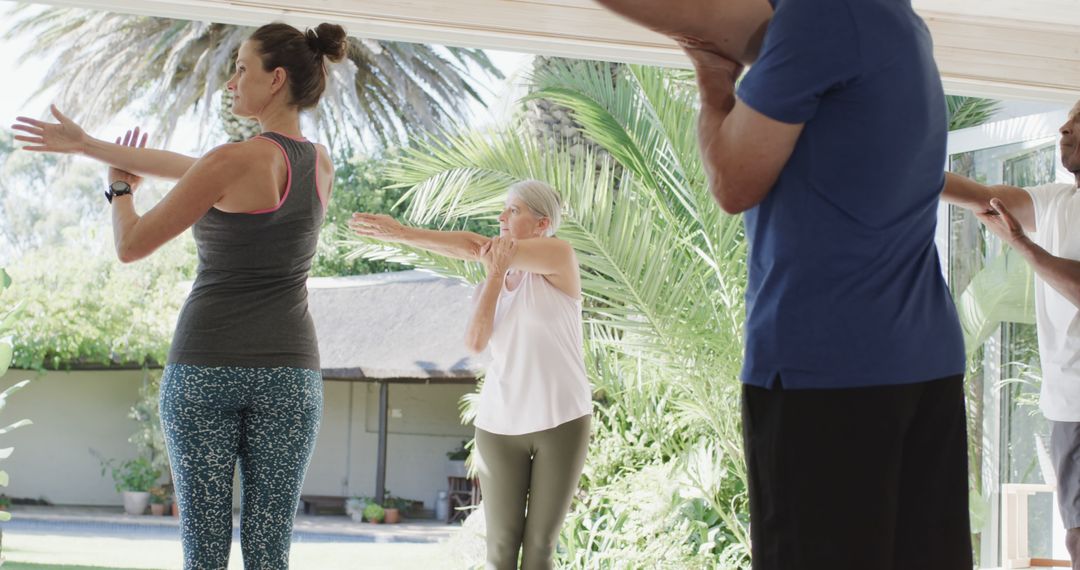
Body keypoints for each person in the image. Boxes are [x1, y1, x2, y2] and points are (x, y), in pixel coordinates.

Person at [593, 0, 972, 568]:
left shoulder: (821, 15)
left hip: (828, 374)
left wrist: (713, 84)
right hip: (922, 360)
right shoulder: (896, 24)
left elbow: (732, 181)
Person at [13, 21, 347, 569]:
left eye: (242, 68)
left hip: (207, 366)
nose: (232, 82)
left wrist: (120, 188)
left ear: (276, 78)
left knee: (205, 549)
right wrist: (90, 145)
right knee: (270, 552)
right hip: (291, 375)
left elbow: (132, 244)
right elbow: (190, 168)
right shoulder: (320, 165)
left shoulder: (229, 160)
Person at [349, 180, 592, 570]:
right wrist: (494, 277)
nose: (501, 218)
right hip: (499, 425)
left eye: (513, 210)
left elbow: (478, 247)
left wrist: (403, 233)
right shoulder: (487, 283)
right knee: (499, 547)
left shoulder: (560, 259)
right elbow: (476, 343)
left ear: (542, 222)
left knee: (540, 546)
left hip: (562, 420)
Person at [942, 99, 1080, 569]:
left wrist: (1023, 244)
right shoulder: (1059, 201)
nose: (1065, 127)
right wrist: (903, 170)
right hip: (1068, 406)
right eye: (1069, 117)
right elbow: (985, 198)